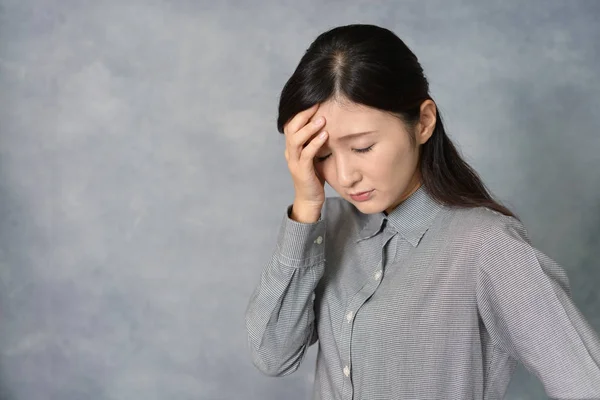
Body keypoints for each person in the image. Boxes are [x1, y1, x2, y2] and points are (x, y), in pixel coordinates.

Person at [244, 24, 600, 399]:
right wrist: (306, 208)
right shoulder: (326, 227)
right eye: (324, 156)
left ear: (424, 122)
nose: (345, 176)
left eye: (363, 147)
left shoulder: (487, 246)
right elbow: (272, 355)